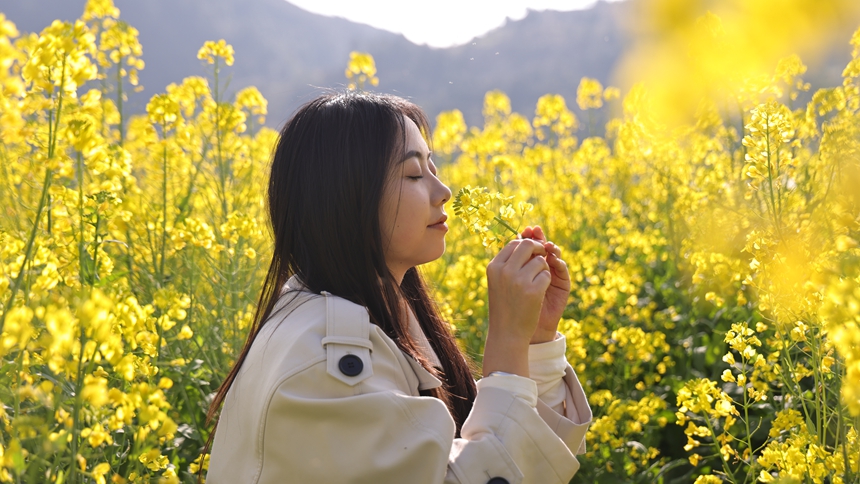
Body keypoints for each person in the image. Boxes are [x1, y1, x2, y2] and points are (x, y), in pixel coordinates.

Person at [203, 91, 592, 483]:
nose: (444, 192)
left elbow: (492, 456)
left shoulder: (364, 322)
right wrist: (506, 341)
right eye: (414, 175)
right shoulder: (326, 365)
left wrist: (533, 342)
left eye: (433, 168)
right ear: (347, 196)